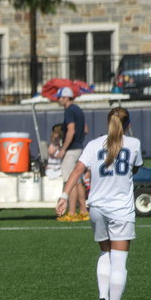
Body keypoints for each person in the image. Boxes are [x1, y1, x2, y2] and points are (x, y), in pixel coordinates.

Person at [56, 107, 141, 300]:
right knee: (119, 261)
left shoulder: (94, 145)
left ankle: (103, 297)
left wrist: (64, 196)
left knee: (105, 253)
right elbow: (135, 167)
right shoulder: (134, 143)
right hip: (121, 209)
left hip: (97, 208)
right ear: (128, 125)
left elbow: (77, 170)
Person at [56, 87, 89, 222]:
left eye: (59, 97)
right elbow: (85, 129)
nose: (58, 100)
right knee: (78, 181)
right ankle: (83, 211)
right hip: (79, 147)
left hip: (72, 149)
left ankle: (71, 212)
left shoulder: (69, 110)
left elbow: (71, 130)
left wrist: (63, 149)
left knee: (71, 181)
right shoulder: (78, 109)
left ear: (66, 97)